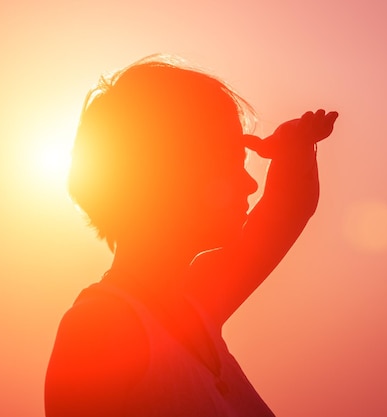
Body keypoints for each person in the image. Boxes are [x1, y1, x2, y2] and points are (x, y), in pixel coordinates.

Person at [44, 54, 338, 417]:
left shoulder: (192, 306)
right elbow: (284, 214)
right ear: (173, 173)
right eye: (231, 162)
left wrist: (294, 149)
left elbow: (288, 209)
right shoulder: (99, 330)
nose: (250, 183)